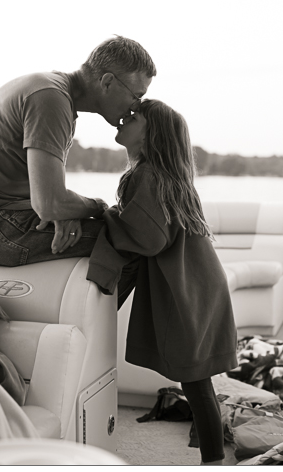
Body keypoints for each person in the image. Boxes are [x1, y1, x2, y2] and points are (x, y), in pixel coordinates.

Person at [86, 99, 238, 465]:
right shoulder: (169, 177)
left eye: (132, 117)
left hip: (187, 288)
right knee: (198, 381)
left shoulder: (147, 175)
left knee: (196, 381)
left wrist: (99, 213)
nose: (121, 120)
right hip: (200, 283)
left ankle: (213, 460)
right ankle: (213, 458)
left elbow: (147, 237)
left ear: (151, 133)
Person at [0, 36, 156, 266]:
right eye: (137, 96)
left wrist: (66, 209)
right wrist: (97, 206)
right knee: (137, 244)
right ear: (107, 82)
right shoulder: (51, 101)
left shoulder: (50, 90)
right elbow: (49, 204)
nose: (136, 107)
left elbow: (50, 201)